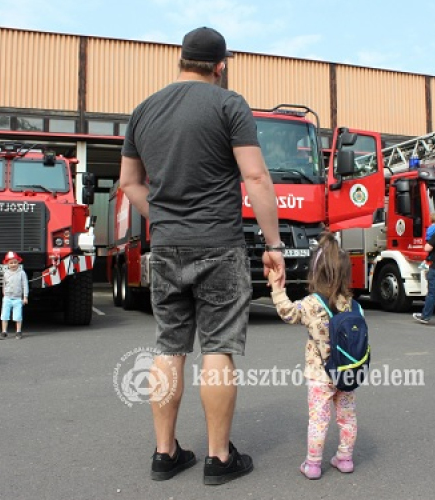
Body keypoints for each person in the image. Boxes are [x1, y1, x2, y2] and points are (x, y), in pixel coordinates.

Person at [119, 26, 285, 485]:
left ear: (181, 59)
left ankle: (165, 453)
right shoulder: (230, 105)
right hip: (219, 245)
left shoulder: (143, 111)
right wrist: (273, 246)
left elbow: (129, 183)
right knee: (218, 349)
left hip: (168, 246)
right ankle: (218, 458)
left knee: (170, 347)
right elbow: (255, 178)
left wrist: (167, 217)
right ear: (220, 64)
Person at [268, 232, 358, 480]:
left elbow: (287, 313)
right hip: (348, 371)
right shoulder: (351, 304)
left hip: (320, 374)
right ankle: (345, 458)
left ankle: (314, 464)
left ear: (315, 273)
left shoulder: (310, 304)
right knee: (346, 417)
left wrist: (277, 288)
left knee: (319, 420)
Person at [0, 251, 28, 339]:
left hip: (17, 299)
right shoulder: (6, 273)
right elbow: (4, 284)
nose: (13, 264)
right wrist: (4, 294)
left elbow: (25, 285)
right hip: (7, 298)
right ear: (7, 264)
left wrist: (25, 297)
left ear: (18, 262)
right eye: (11, 263)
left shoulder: (22, 273)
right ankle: (4, 331)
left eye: (15, 262)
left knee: (18, 316)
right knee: (4, 315)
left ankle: (18, 331)